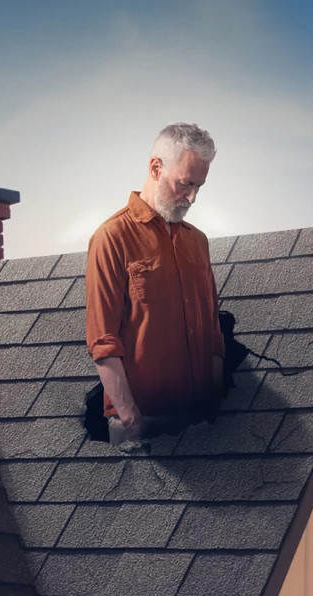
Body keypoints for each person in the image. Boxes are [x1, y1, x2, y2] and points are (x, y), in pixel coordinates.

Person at [86, 123, 225, 446]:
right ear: (155, 167)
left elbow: (214, 336)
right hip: (140, 425)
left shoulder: (198, 242)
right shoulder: (111, 238)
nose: (192, 196)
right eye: (185, 183)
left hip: (199, 423)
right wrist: (131, 418)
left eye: (200, 186)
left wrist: (216, 406)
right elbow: (102, 340)